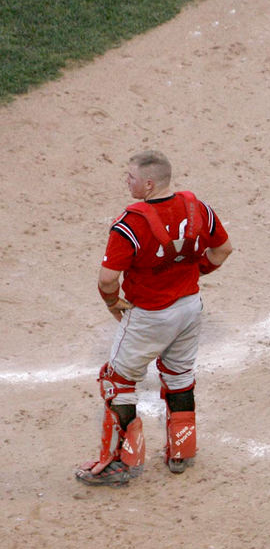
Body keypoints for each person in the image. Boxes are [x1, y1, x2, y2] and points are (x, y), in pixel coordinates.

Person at [76, 150, 233, 486]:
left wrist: (111, 302)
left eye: (130, 176)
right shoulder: (199, 209)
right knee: (179, 374)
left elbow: (107, 279)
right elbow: (222, 250)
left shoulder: (131, 223)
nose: (126, 181)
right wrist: (191, 272)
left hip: (150, 315)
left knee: (116, 381)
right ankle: (182, 452)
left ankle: (121, 462)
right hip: (190, 307)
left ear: (148, 184)